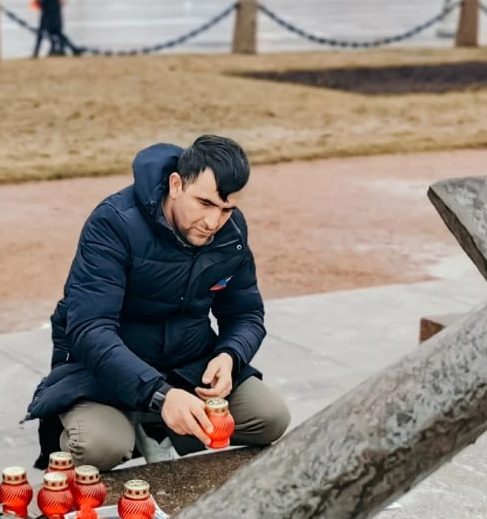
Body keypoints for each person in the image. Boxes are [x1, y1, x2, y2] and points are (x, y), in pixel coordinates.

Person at [25, 135, 291, 472]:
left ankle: (157, 428)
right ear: (176, 184)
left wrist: (230, 355)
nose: (213, 222)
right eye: (205, 203)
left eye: (227, 209)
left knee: (270, 418)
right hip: (103, 374)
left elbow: (246, 312)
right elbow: (89, 329)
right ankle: (131, 424)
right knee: (98, 448)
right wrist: (161, 395)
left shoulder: (231, 231)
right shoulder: (113, 222)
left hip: (187, 364)